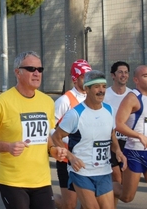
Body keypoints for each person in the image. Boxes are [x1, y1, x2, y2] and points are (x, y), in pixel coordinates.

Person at [0, 51, 67, 209]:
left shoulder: (47, 102)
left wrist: (53, 149)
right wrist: (7, 147)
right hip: (12, 181)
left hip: (41, 180)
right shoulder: (3, 102)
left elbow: (46, 136)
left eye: (40, 69)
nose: (37, 73)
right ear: (17, 72)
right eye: (31, 69)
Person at [52, 70, 127, 209]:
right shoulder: (75, 114)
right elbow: (56, 136)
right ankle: (49, 200)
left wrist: (117, 151)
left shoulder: (109, 110)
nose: (101, 91)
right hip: (82, 171)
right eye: (97, 86)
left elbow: (111, 134)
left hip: (104, 171)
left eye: (104, 86)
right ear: (87, 88)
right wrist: (71, 157)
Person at [53, 59, 91, 209]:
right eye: (84, 76)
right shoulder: (64, 100)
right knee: (68, 204)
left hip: (88, 156)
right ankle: (45, 199)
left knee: (89, 202)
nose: (88, 79)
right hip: (67, 159)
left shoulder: (93, 98)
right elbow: (50, 128)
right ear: (75, 79)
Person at [114, 65, 147, 203]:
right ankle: (101, 187)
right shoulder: (133, 98)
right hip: (135, 152)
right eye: (145, 76)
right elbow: (118, 124)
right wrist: (139, 136)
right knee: (127, 197)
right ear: (136, 80)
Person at [103, 61, 131, 186]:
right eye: (120, 72)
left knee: (124, 182)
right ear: (113, 75)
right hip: (110, 141)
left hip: (128, 142)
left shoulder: (132, 96)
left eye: (126, 72)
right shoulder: (104, 95)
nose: (123, 75)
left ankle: (101, 196)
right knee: (116, 177)